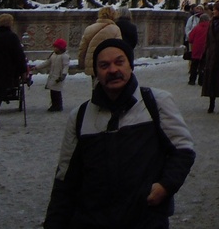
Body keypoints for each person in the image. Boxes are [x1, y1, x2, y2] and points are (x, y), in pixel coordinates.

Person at [43, 39, 196, 229]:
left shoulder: (156, 102)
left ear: (130, 65)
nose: (113, 70)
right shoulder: (80, 116)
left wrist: (165, 186)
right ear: (96, 72)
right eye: (104, 65)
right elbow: (65, 179)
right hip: (92, 219)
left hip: (144, 218)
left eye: (119, 62)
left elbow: (182, 150)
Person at [201, 0, 219, 113]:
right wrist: (205, 52)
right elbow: (208, 39)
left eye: (216, 10)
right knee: (211, 80)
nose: (213, 12)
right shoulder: (212, 22)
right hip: (211, 55)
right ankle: (211, 104)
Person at [77, 7, 122, 76]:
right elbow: (119, 49)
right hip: (108, 64)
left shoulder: (89, 29)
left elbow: (82, 49)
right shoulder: (115, 29)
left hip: (92, 64)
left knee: (95, 84)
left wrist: (81, 63)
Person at [31, 38, 70, 112]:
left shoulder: (65, 56)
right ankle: (54, 105)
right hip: (53, 76)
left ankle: (58, 105)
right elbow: (46, 63)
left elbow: (66, 66)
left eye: (56, 47)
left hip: (59, 77)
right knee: (53, 91)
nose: (54, 49)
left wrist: (63, 75)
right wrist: (36, 67)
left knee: (57, 92)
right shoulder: (53, 55)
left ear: (60, 48)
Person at [186, 12, 210, 86]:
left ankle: (192, 80)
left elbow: (190, 39)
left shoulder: (196, 28)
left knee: (194, 65)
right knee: (203, 65)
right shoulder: (210, 28)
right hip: (206, 49)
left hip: (196, 49)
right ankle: (201, 81)